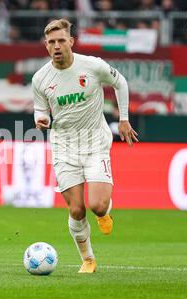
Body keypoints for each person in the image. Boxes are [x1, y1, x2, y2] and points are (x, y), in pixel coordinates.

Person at [32, 19, 138, 273]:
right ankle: (88, 259)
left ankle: (105, 213)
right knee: (77, 209)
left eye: (61, 40)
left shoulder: (92, 66)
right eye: (51, 42)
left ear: (71, 42)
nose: (56, 46)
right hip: (64, 147)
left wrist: (123, 119)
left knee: (97, 205)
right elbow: (39, 110)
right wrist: (41, 120)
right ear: (46, 46)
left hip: (95, 144)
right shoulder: (40, 79)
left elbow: (120, 82)